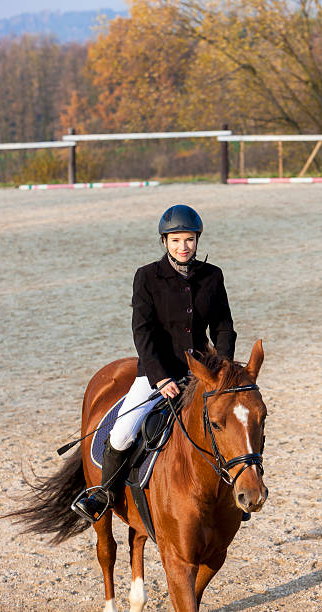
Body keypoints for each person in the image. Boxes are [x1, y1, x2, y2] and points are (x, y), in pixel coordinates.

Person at [74, 204, 237, 522]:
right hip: (156, 374)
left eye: (189, 240)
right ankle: (104, 494)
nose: (183, 247)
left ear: (197, 240)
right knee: (122, 433)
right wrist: (161, 379)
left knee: (234, 425)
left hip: (202, 373)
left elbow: (223, 327)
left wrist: (224, 369)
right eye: (176, 240)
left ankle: (235, 493)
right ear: (165, 242)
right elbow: (142, 331)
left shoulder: (212, 277)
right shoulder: (147, 277)